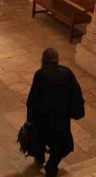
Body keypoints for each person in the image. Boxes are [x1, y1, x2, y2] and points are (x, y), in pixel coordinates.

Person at [26, 48, 84, 177]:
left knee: (41, 137)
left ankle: (40, 158)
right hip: (61, 116)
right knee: (63, 144)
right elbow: (76, 93)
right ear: (57, 60)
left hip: (42, 116)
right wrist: (76, 110)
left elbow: (32, 98)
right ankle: (52, 166)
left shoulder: (40, 74)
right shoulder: (67, 72)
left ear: (43, 60)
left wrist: (30, 118)